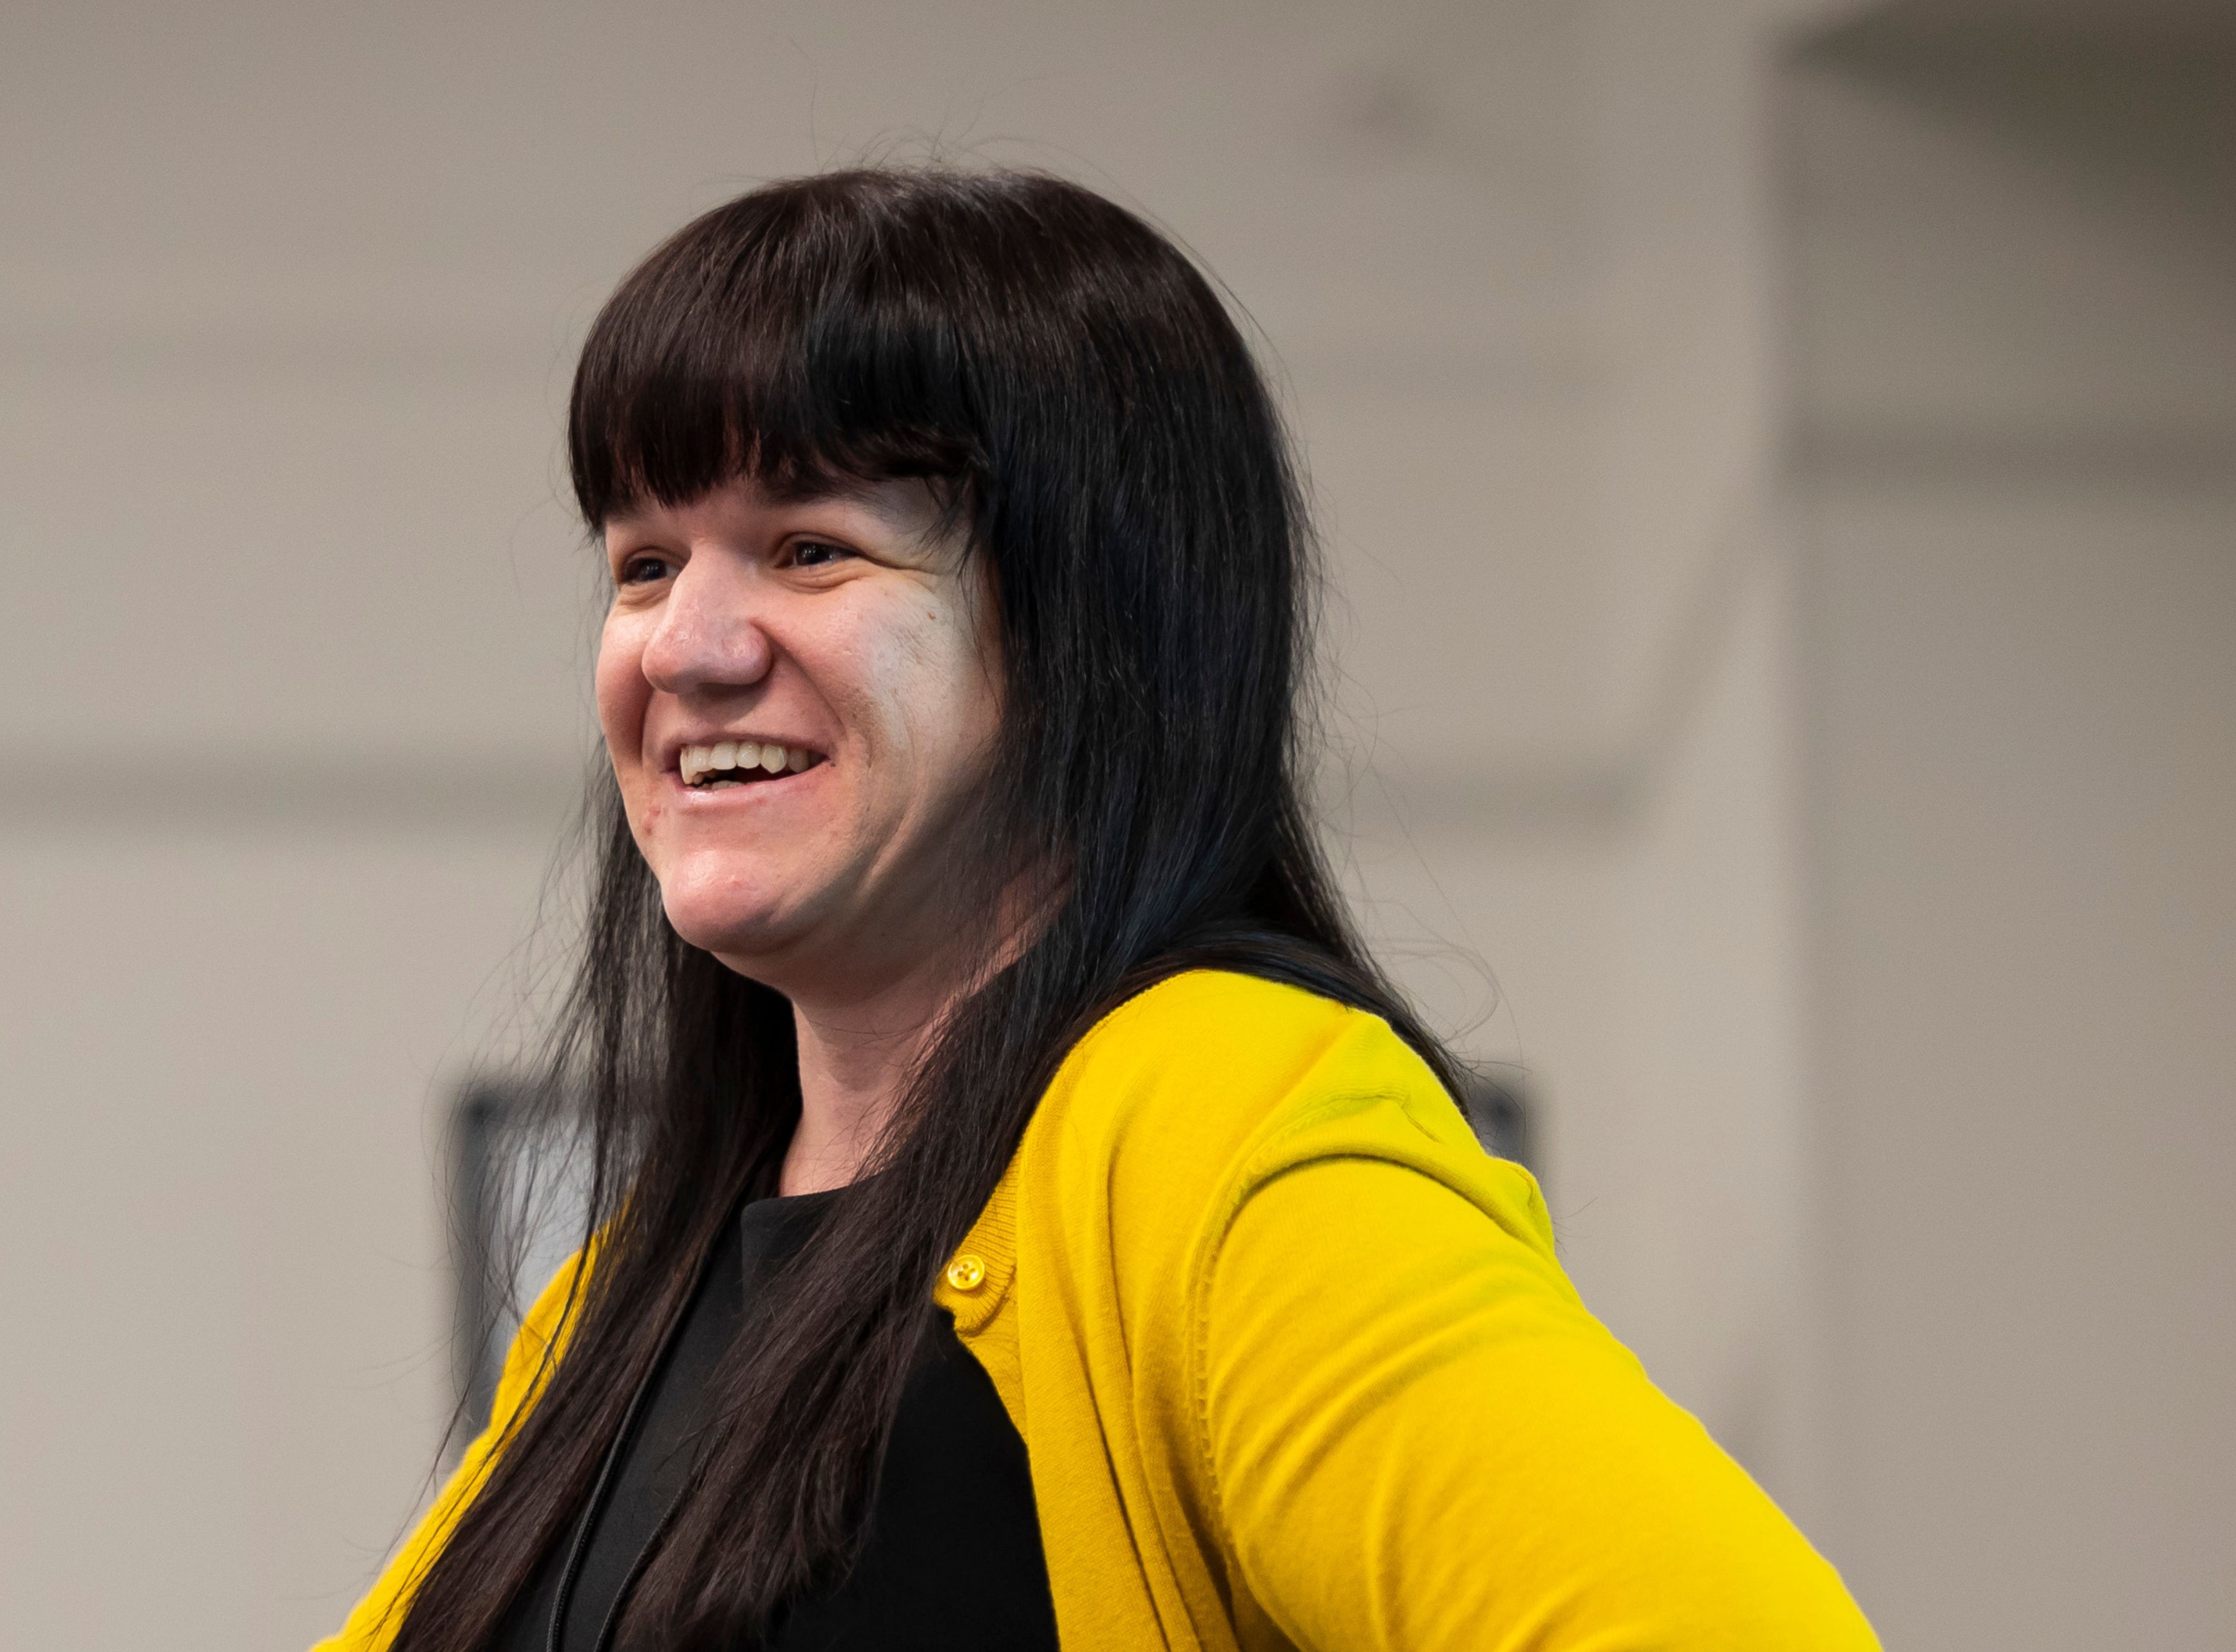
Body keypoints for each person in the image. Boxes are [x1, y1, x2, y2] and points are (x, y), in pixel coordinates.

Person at [318, 167, 1879, 1651]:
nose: (687, 647)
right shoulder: (609, 1313)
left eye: (809, 547)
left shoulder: (1218, 1119)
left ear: (1089, 626)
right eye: (644, 563)